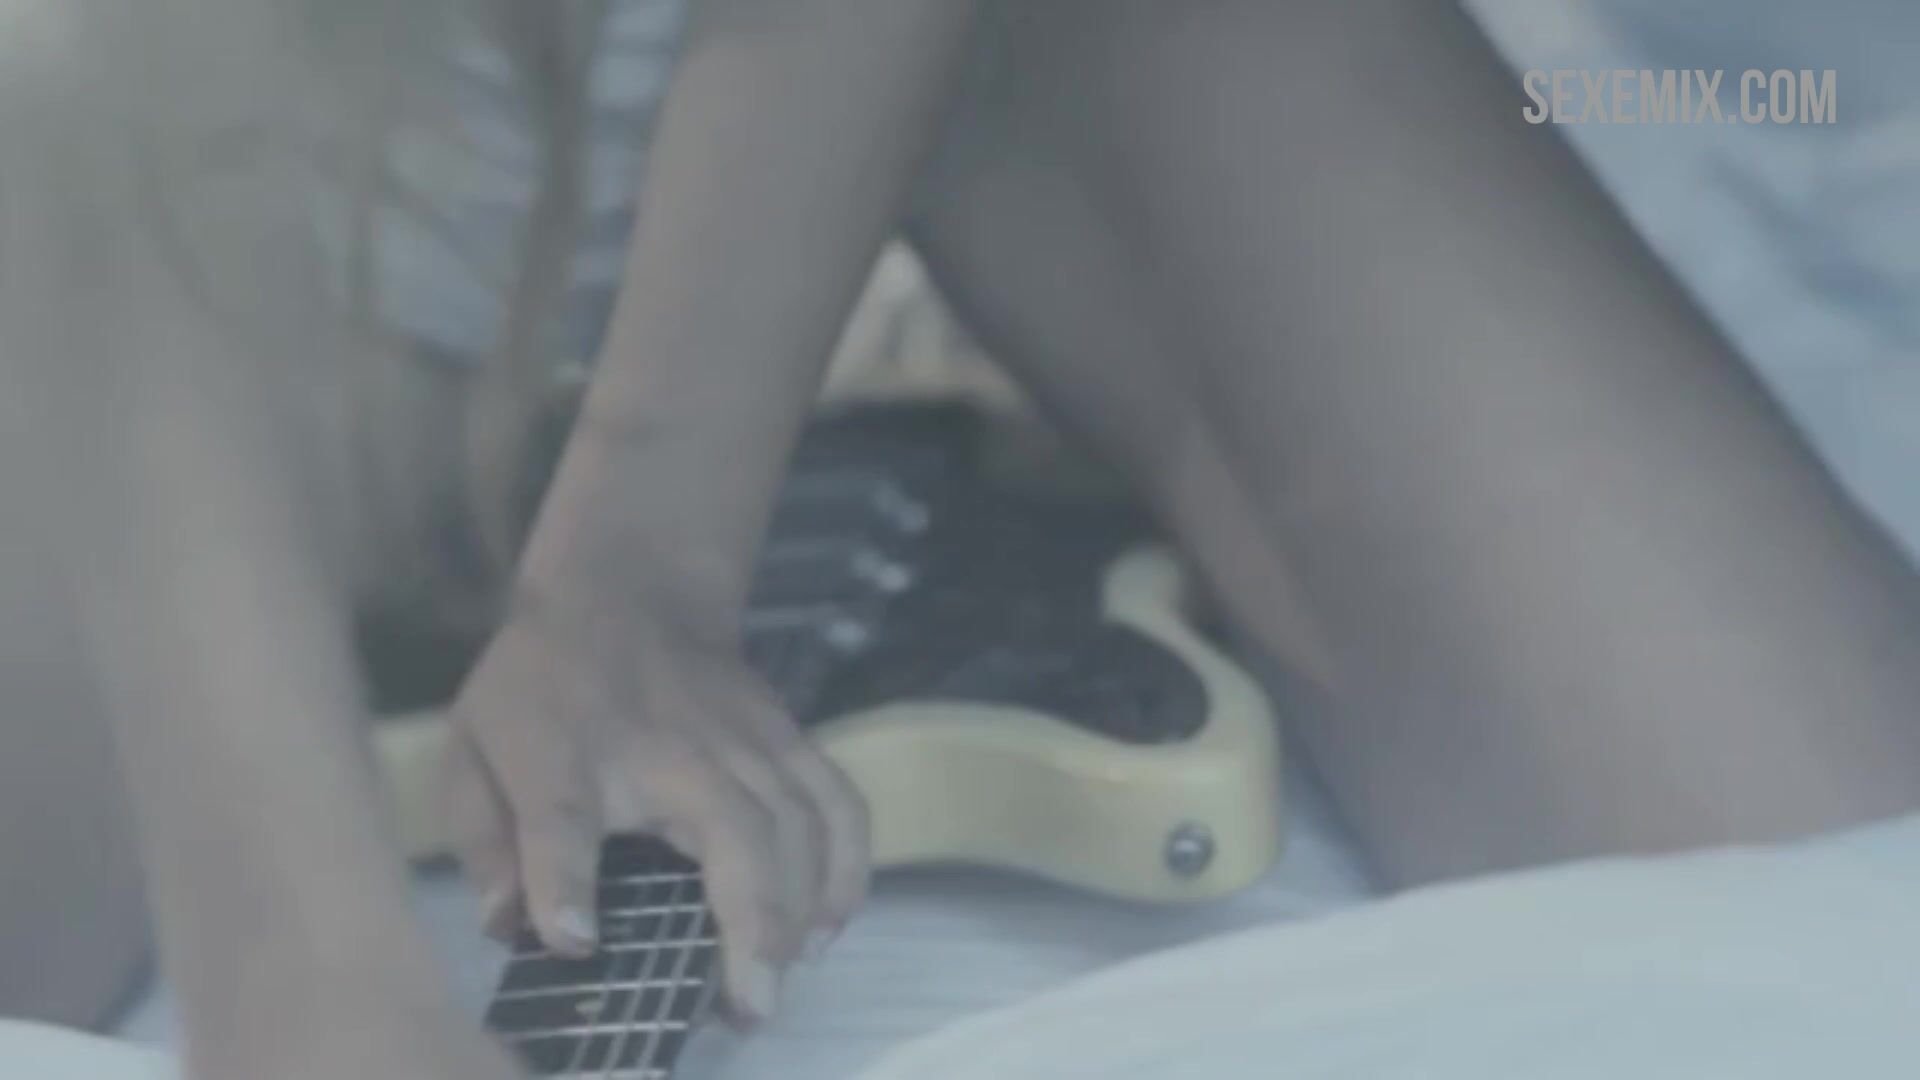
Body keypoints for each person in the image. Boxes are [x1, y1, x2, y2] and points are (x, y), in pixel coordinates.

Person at [4, 1, 1918, 1079]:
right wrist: (298, 942)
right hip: (146, 204)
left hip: (1006, 48)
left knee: (1843, 910)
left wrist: (649, 544)